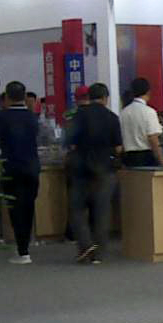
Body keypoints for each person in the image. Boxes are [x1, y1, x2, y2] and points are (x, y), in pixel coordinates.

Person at [67, 82, 122, 264]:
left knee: (77, 210)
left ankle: (85, 245)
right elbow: (118, 147)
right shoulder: (112, 118)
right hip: (105, 169)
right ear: (106, 98)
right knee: (102, 212)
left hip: (81, 170)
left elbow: (71, 143)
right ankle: (98, 253)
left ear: (89, 97)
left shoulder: (79, 116)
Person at [0, 81, 41, 264]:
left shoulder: (2, 117)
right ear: (24, 96)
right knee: (28, 207)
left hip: (11, 168)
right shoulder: (32, 117)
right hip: (32, 168)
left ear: (7, 97)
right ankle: (25, 247)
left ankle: (22, 250)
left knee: (15, 209)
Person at [120, 77, 163, 167]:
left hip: (128, 157)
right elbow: (153, 138)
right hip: (146, 158)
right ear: (148, 92)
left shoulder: (123, 113)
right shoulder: (149, 112)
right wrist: (161, 159)